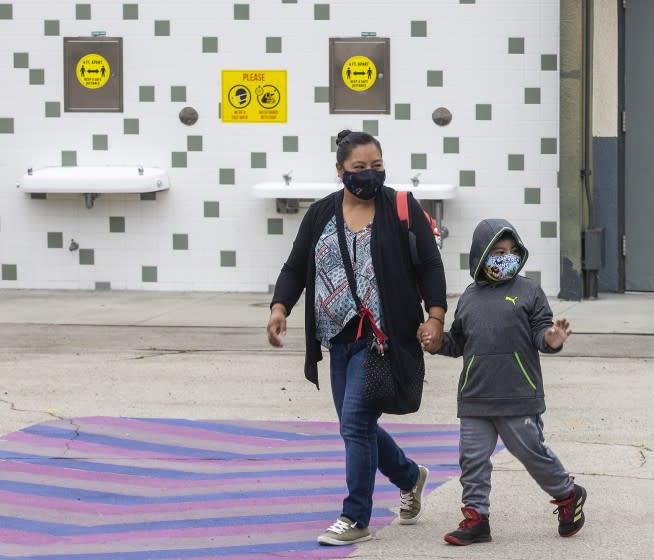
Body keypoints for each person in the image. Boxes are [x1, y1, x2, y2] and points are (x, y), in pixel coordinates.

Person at [267, 130, 447, 546]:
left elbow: (431, 267)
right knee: (356, 426)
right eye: (359, 168)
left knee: (354, 421)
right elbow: (295, 267)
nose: (369, 175)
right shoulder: (320, 215)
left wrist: (435, 316)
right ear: (340, 171)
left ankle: (355, 517)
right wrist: (280, 308)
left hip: (382, 338)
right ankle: (408, 475)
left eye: (377, 167)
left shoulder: (400, 207)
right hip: (337, 338)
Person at [419, 218, 587, 545]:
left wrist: (553, 337)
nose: (505, 257)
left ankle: (568, 495)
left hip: (517, 396)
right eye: (497, 251)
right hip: (475, 396)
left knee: (532, 453)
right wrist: (437, 344)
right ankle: (476, 518)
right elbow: (458, 342)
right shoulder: (468, 297)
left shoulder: (529, 292)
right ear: (481, 255)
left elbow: (542, 333)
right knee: (472, 459)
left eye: (512, 251)